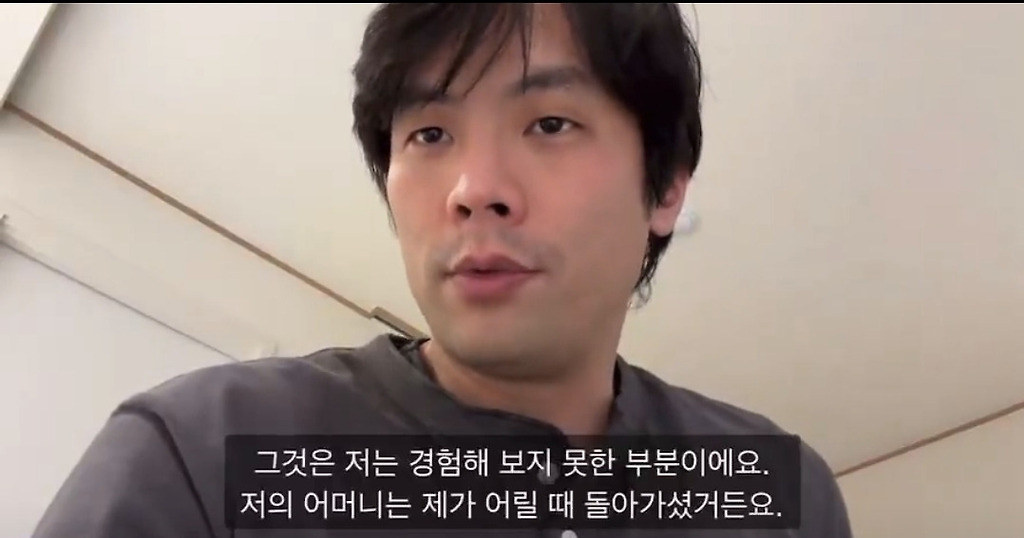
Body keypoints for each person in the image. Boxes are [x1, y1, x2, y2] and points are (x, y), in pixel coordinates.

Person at [32, 4, 853, 537]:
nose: (473, 189)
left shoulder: (776, 489)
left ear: (666, 187)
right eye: (429, 135)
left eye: (550, 122)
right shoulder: (205, 448)